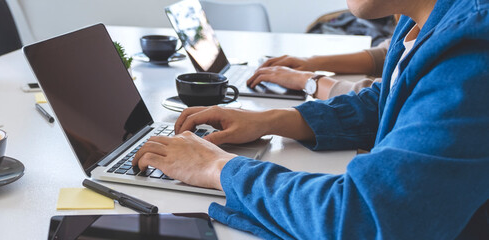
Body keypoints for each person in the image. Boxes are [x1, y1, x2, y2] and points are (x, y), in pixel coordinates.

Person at [133, 0, 489, 238]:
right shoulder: (425, 21)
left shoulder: (471, 52)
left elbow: (362, 215)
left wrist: (219, 169)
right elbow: (389, 100)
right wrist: (271, 120)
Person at [246, 39, 388, 100]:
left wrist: (307, 80)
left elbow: (380, 99)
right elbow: (387, 54)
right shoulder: (407, 22)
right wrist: (311, 62)